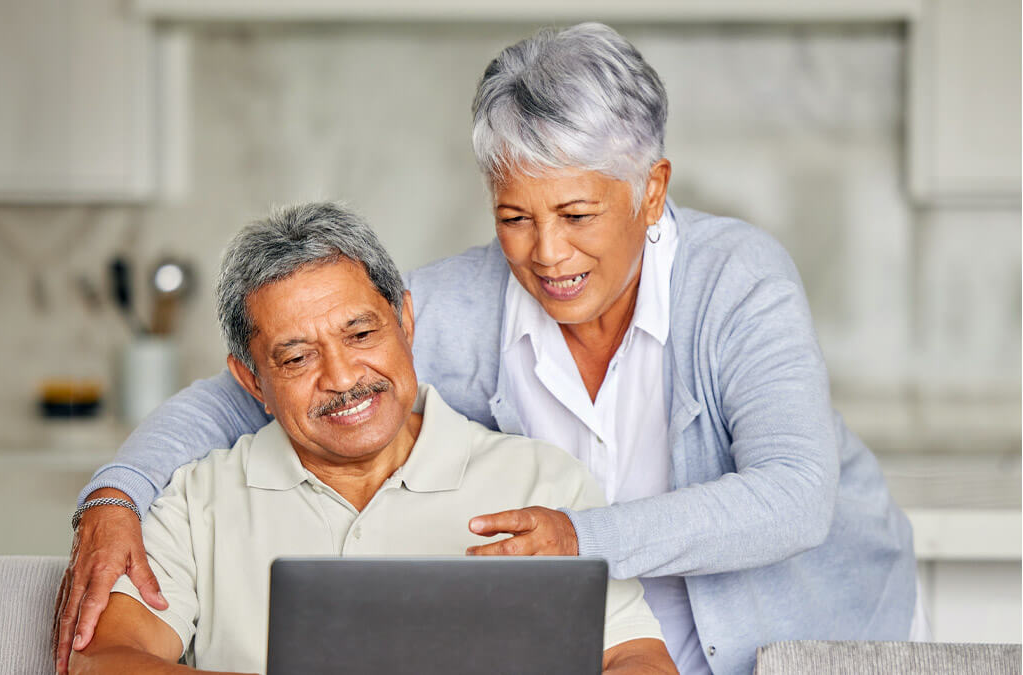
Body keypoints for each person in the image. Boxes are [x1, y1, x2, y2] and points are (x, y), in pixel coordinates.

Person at [55, 23, 918, 675]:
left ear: (651, 190)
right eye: (515, 217)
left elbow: (795, 497)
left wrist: (579, 542)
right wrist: (115, 496)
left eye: (577, 214)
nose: (546, 254)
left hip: (795, 630)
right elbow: (254, 387)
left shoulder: (736, 281)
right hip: (623, 637)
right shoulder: (467, 302)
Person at [67, 202, 674, 675]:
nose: (343, 378)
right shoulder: (198, 500)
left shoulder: (542, 481)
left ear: (406, 322)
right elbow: (101, 660)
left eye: (361, 334)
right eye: (298, 357)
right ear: (251, 379)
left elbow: (637, 657)